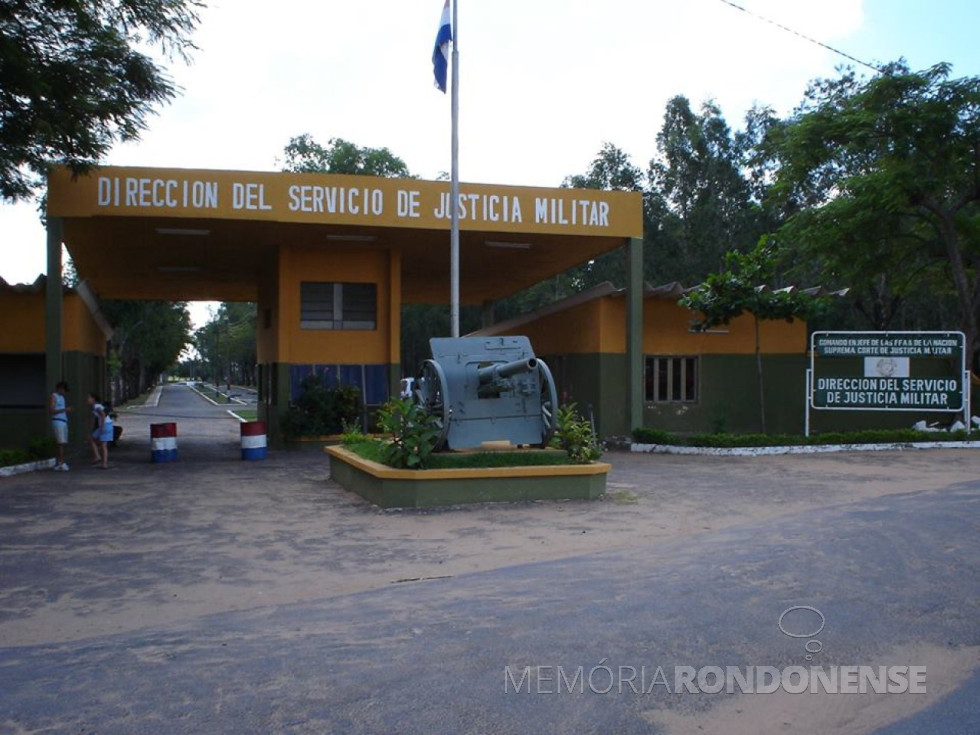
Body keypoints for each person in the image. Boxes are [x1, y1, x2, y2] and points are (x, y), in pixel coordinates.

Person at [49, 381, 72, 471]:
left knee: (62, 442)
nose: (64, 392)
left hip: (63, 421)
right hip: (57, 421)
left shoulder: (62, 397)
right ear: (60, 389)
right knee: (60, 443)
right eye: (64, 390)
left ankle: (60, 461)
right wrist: (65, 410)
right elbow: (51, 410)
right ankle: (61, 462)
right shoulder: (54, 396)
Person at [87, 393, 114, 469]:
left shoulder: (96, 406)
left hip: (105, 425)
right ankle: (101, 460)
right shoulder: (95, 407)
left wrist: (101, 427)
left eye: (89, 398)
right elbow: (93, 420)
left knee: (100, 443)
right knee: (96, 441)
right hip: (106, 425)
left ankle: (100, 460)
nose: (87, 400)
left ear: (93, 399)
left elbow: (102, 415)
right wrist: (91, 430)